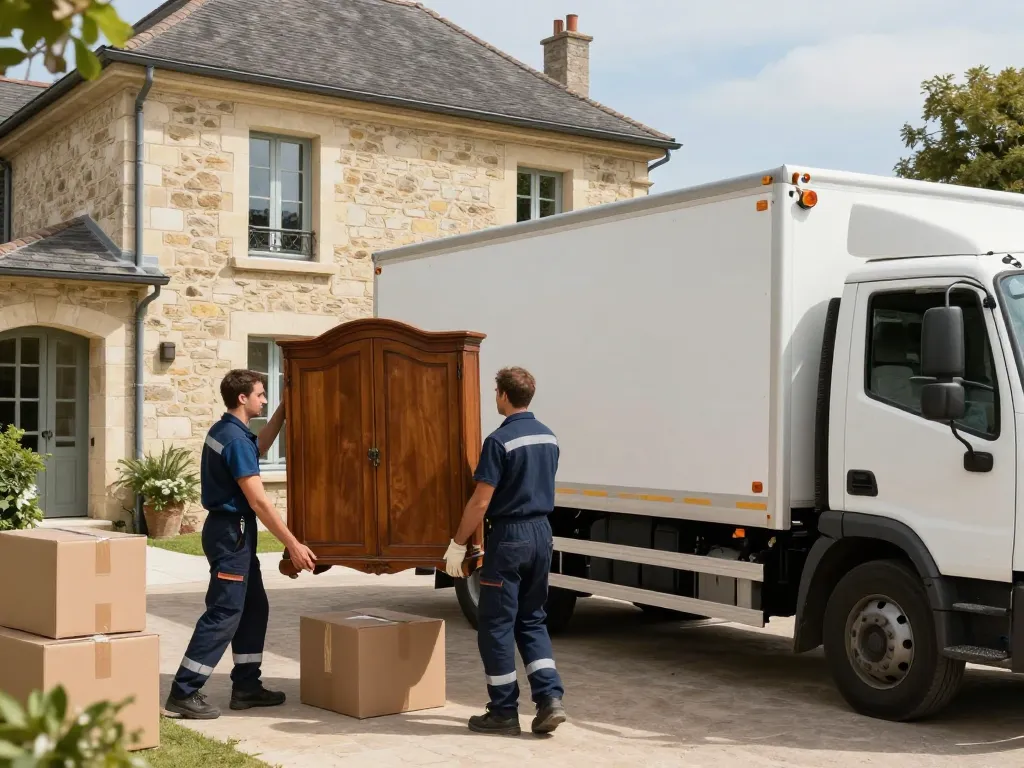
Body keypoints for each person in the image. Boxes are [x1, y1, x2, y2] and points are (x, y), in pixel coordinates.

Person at [163, 369, 317, 720]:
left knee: (254, 607)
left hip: (234, 533)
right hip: (231, 534)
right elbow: (260, 501)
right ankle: (184, 691)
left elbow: (259, 446)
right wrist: (293, 543)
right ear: (242, 398)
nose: (264, 399)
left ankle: (246, 686)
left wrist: (282, 410)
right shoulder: (232, 440)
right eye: (261, 395)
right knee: (224, 612)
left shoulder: (230, 432)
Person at [444, 366, 567, 737]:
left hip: (510, 536)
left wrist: (458, 542)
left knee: (496, 625)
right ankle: (549, 699)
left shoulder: (499, 442)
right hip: (542, 533)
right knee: (532, 620)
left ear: (502, 395)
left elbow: (481, 503)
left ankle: (503, 711)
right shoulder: (549, 437)